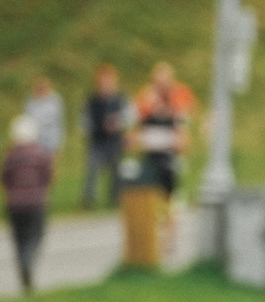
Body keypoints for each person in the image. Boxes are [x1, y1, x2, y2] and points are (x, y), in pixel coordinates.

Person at [0, 115, 54, 293]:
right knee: (35, 236)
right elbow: (48, 176)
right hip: (36, 202)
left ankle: (23, 266)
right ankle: (27, 263)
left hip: (15, 203)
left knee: (19, 239)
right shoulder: (40, 154)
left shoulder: (10, 156)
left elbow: (4, 178)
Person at [133, 62, 196, 198]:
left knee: (170, 178)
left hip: (170, 144)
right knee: (149, 178)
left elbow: (182, 120)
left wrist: (183, 139)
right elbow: (140, 120)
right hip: (152, 144)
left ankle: (171, 207)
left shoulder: (179, 94)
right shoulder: (147, 95)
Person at [81, 63, 128, 209]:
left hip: (115, 140)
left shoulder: (120, 99)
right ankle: (88, 199)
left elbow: (128, 116)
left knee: (116, 171)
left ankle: (116, 198)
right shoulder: (92, 100)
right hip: (98, 140)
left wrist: (118, 125)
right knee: (92, 168)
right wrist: (97, 128)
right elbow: (85, 121)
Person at [24, 76, 67, 160]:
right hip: (33, 143)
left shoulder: (55, 101)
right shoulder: (30, 101)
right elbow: (27, 122)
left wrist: (60, 143)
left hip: (51, 142)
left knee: (49, 170)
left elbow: (60, 122)